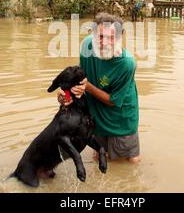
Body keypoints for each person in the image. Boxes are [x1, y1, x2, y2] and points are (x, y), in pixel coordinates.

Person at [58, 13, 141, 163]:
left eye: (112, 37)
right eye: (101, 37)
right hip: (96, 115)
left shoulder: (127, 64)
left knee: (131, 160)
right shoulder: (86, 46)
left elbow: (113, 101)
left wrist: (87, 87)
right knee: (98, 155)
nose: (106, 42)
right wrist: (66, 95)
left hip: (121, 119)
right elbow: (80, 79)